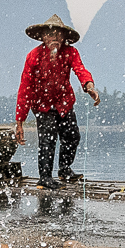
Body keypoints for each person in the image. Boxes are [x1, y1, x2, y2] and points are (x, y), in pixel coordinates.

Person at [14, 14, 99, 188]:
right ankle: (45, 178)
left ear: (64, 37)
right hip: (42, 105)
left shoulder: (70, 52)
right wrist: (20, 121)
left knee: (72, 136)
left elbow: (80, 70)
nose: (54, 38)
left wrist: (89, 86)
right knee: (48, 140)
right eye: (50, 34)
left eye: (58, 34)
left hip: (64, 102)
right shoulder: (33, 56)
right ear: (43, 37)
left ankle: (64, 170)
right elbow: (25, 88)